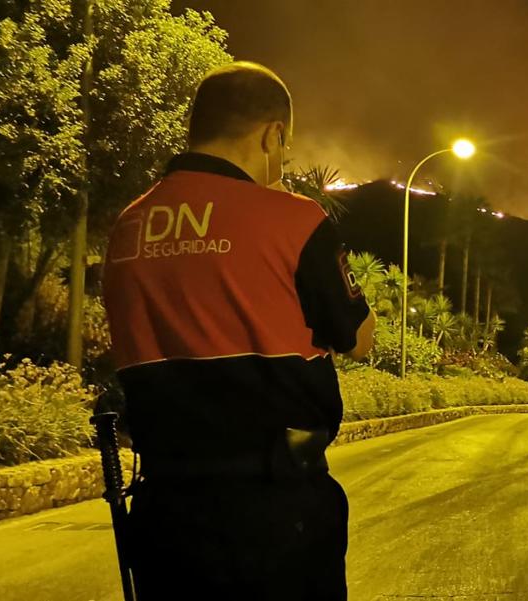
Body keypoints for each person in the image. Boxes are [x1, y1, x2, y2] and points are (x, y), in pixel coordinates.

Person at [102, 61, 375, 600]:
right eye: (285, 144)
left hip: (166, 513)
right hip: (276, 513)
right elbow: (357, 337)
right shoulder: (293, 220)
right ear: (272, 134)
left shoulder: (128, 226)